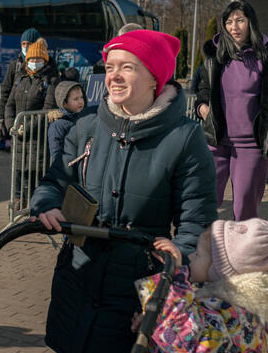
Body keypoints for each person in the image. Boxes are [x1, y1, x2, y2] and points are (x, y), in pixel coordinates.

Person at [30, 29, 218, 353]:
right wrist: (46, 203)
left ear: (153, 78)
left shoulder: (184, 138)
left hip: (138, 291)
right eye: (110, 66)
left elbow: (196, 220)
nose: (114, 76)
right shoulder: (87, 124)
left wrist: (176, 262)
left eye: (127, 67)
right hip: (76, 276)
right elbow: (56, 180)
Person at [135, 218, 268, 352]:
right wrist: (155, 319)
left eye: (198, 254)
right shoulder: (232, 304)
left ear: (219, 272)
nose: (191, 256)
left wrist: (176, 276)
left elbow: (188, 340)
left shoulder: (236, 316)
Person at [195, 0, 268, 220]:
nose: (234, 26)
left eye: (240, 20)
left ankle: (243, 253)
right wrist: (203, 109)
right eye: (229, 22)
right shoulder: (215, 58)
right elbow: (203, 92)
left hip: (251, 145)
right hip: (216, 141)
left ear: (250, 23)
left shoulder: (265, 58)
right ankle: (200, 250)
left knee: (244, 208)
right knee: (202, 202)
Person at [5, 39, 57, 210]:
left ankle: (34, 208)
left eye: (38, 59)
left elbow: (46, 109)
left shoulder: (51, 79)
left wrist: (25, 128)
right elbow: (10, 104)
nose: (34, 63)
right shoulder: (20, 78)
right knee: (18, 171)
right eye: (31, 60)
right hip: (18, 136)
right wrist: (10, 124)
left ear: (45, 60)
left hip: (37, 137)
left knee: (34, 173)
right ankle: (18, 204)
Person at [0, 27, 42, 141]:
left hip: (36, 127)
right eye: (24, 43)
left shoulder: (43, 65)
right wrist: (1, 119)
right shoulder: (15, 65)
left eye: (29, 44)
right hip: (16, 122)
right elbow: (5, 94)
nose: (26, 46)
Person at [47, 81, 87, 165]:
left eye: (81, 97)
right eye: (75, 99)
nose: (80, 101)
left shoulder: (83, 118)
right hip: (68, 167)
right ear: (64, 103)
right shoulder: (58, 125)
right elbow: (56, 151)